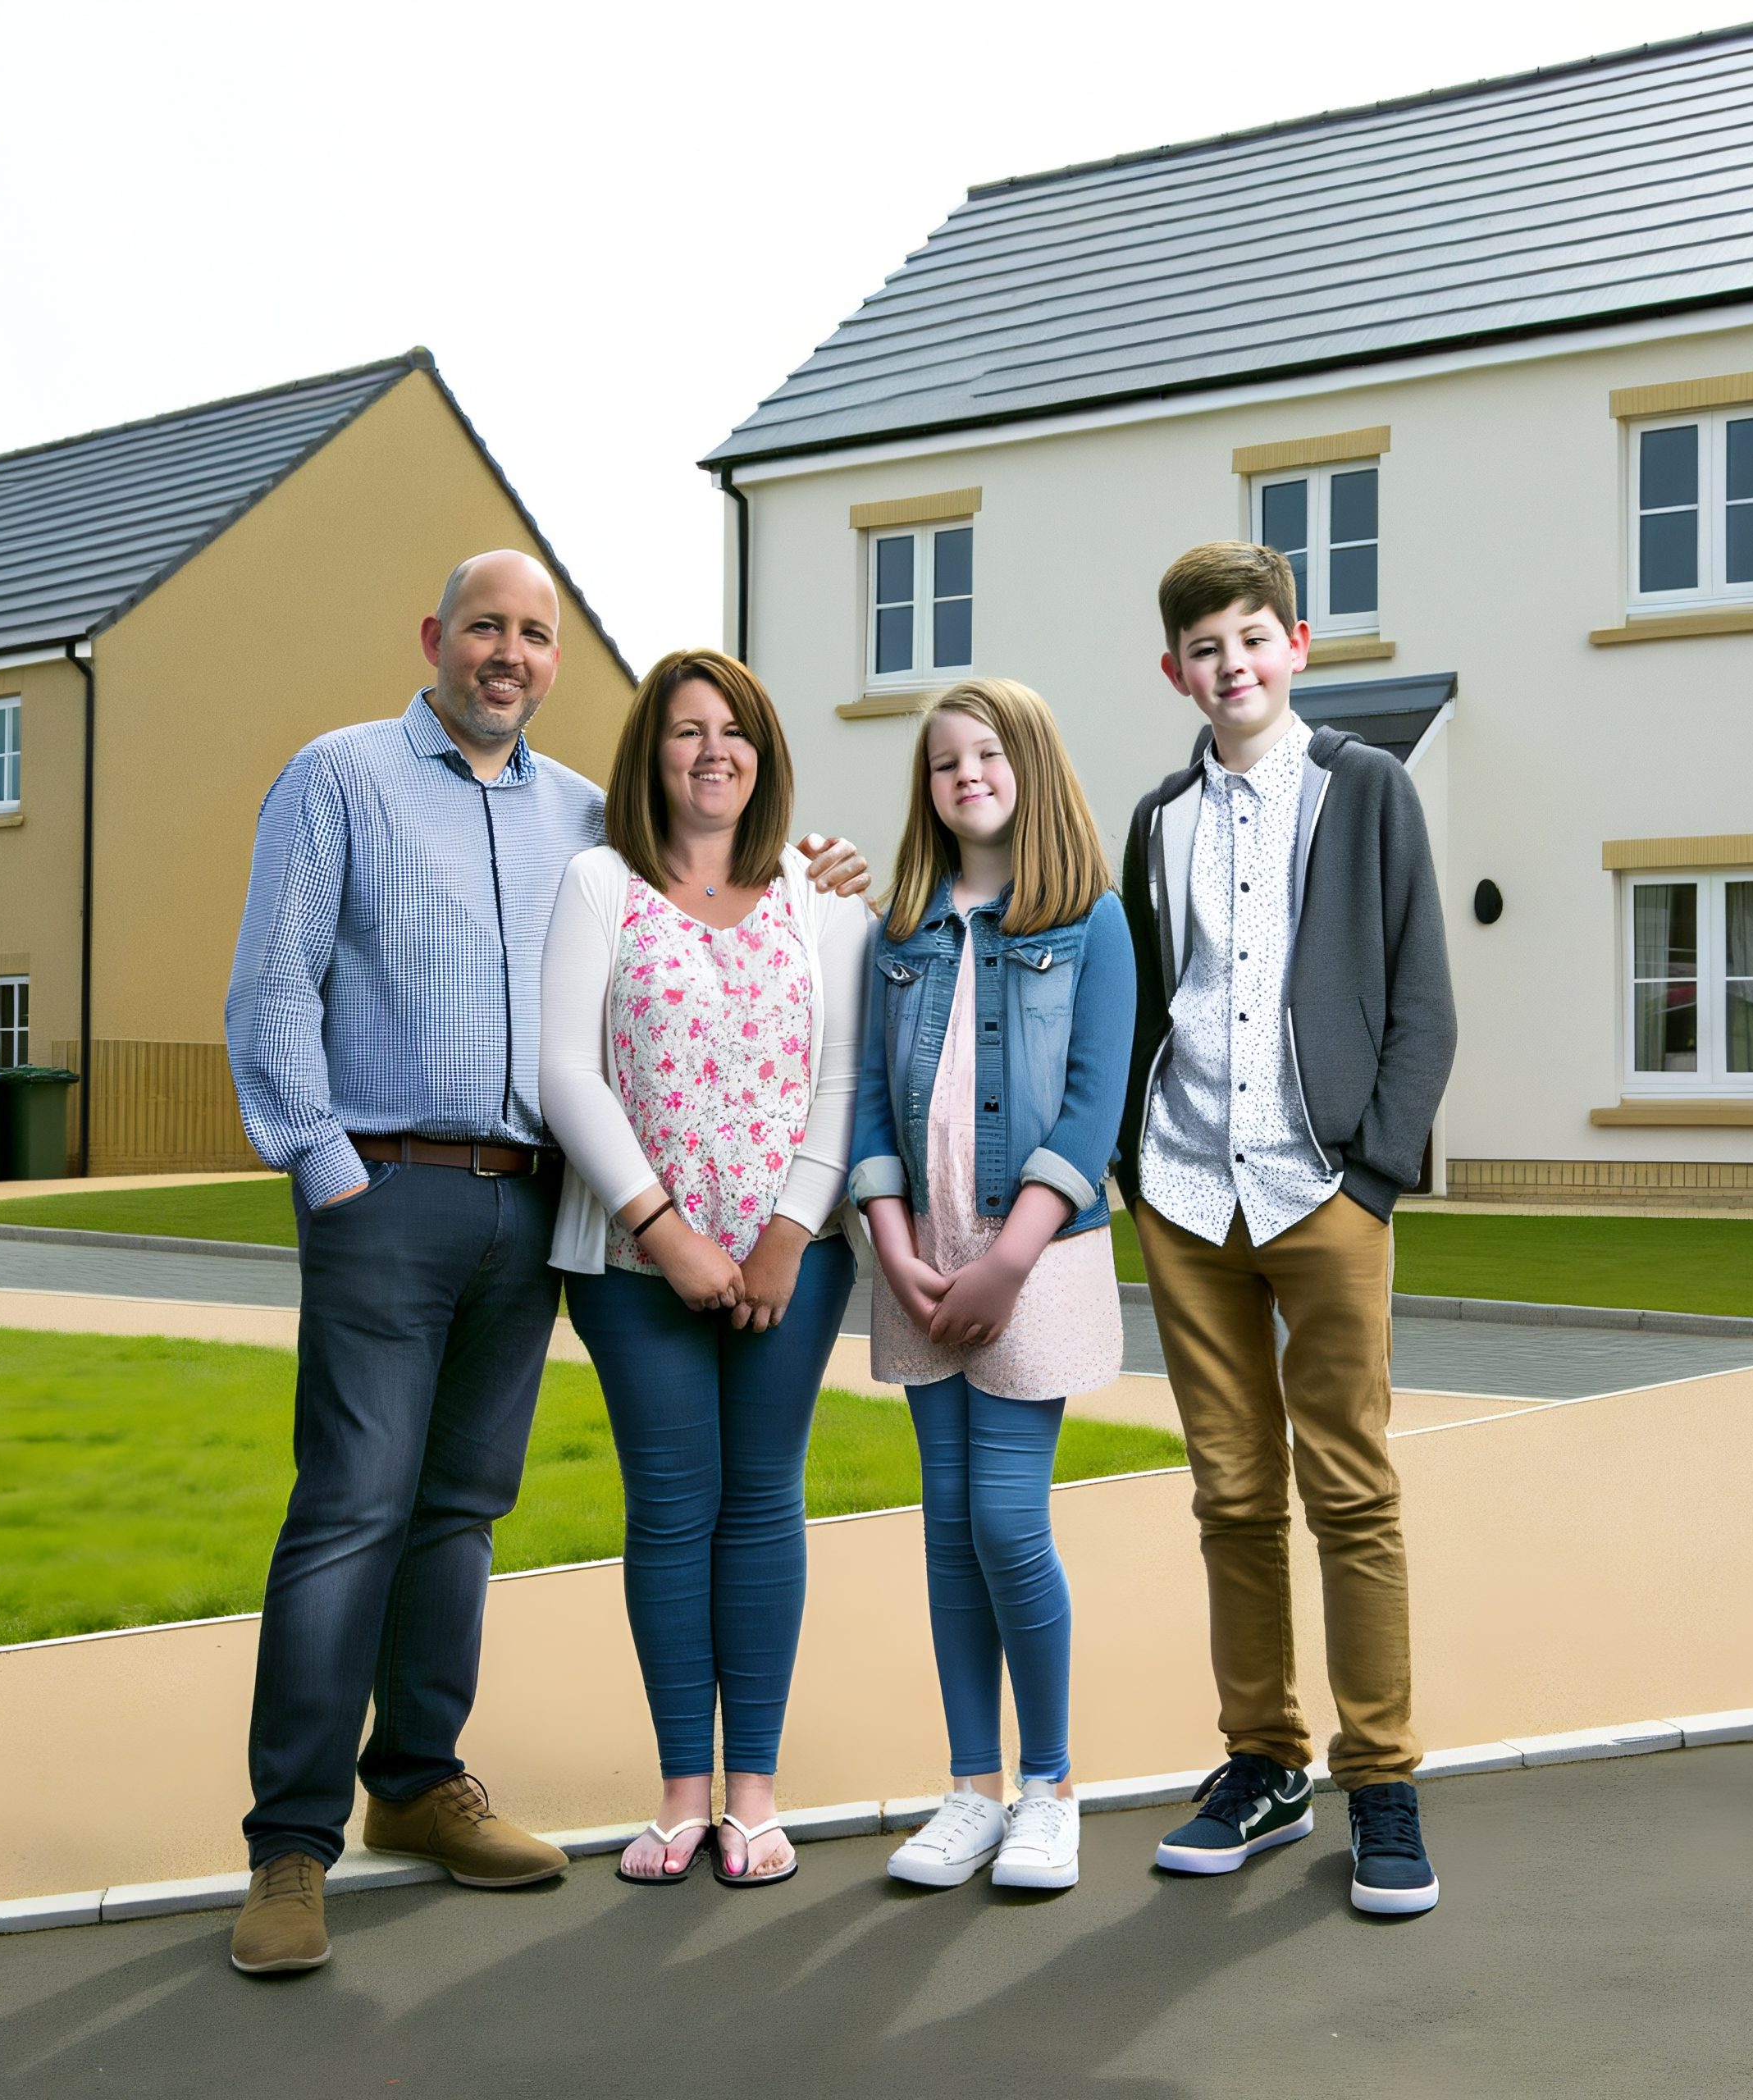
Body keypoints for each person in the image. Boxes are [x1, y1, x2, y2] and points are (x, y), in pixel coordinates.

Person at [223, 559, 866, 1974]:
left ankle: (420, 1784)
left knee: (461, 1507)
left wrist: (818, 874)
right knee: (350, 1508)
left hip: (530, 1211)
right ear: (433, 635)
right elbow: (271, 988)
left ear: (554, 660)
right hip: (383, 1188)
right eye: (485, 629)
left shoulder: (589, 814)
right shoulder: (339, 778)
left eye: (534, 635)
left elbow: (725, 873)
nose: (505, 655)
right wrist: (330, 1174)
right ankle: (290, 1846)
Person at [1116, 541, 1455, 1916]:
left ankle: (1383, 1781)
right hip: (1190, 1196)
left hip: (1325, 1191)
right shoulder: (1157, 819)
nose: (1232, 664)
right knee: (1233, 1496)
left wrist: (1372, 1172)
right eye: (1206, 649)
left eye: (1253, 638)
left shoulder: (1368, 790)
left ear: (1296, 646)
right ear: (1176, 671)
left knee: (1353, 1492)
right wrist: (1139, 1167)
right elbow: (1152, 995)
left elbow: (1421, 993)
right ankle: (1263, 1761)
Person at [537, 647, 873, 1889]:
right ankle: (684, 1792)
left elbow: (843, 1074)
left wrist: (787, 1230)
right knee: (673, 1510)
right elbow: (567, 1069)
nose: (711, 750)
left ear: (764, 753)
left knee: (762, 1501)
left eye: (733, 730)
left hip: (797, 1264)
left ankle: (757, 1796)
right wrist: (664, 1230)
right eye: (685, 731)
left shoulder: (818, 890)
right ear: (652, 755)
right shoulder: (597, 885)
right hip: (637, 1269)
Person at [848, 679, 1134, 1893]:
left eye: (986, 752)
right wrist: (891, 1241)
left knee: (1009, 1522)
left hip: (1038, 1262)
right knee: (950, 1530)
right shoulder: (899, 927)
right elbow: (869, 1093)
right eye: (942, 762)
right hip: (921, 1263)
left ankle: (1051, 1788)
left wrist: (1010, 1257)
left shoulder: (1091, 920)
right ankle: (971, 1788)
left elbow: (1092, 1101)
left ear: (1029, 764)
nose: (965, 774)